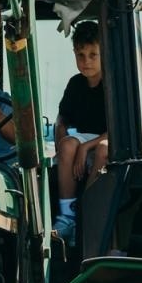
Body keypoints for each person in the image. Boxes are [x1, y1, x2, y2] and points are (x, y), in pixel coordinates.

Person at [52, 20, 106, 241]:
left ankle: (89, 211)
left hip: (107, 140)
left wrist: (85, 148)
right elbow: (62, 119)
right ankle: (68, 217)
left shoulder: (113, 83)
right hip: (84, 140)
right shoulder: (75, 84)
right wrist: (61, 134)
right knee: (67, 145)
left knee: (103, 149)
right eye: (81, 55)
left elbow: (117, 129)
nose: (86, 61)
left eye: (93, 55)